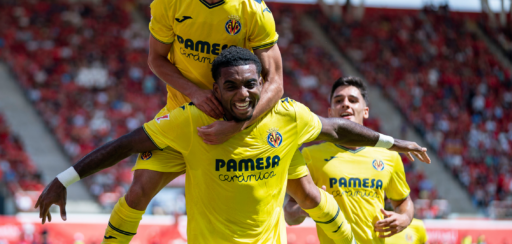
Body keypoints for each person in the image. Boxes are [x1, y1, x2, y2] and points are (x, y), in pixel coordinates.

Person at [36, 48, 430, 243]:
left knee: (308, 193)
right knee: (138, 190)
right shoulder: (190, 121)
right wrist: (64, 179)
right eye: (231, 86)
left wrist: (393, 143)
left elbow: (335, 129)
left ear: (262, 84)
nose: (243, 93)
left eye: (250, 84)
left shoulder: (287, 115)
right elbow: (124, 145)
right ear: (215, 90)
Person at [107, 0, 284, 242]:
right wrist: (195, 93)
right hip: (180, 119)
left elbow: (275, 82)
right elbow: (156, 59)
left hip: (234, 126)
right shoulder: (170, 1)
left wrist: (237, 124)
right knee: (137, 192)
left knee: (302, 192)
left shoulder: (254, 11)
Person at [284, 76, 417, 243]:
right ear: (330, 112)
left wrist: (404, 218)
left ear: (366, 111)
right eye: (338, 100)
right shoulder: (310, 155)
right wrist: (308, 206)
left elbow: (404, 202)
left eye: (353, 100)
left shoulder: (388, 156)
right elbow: (289, 214)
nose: (345, 104)